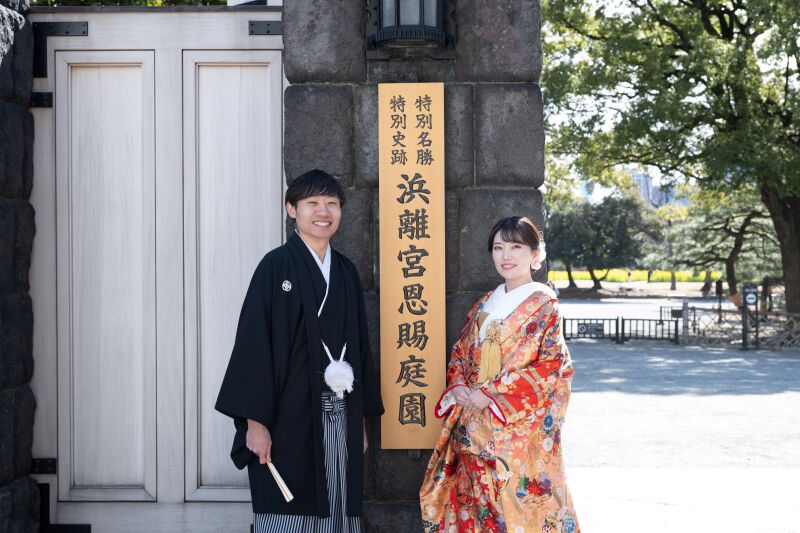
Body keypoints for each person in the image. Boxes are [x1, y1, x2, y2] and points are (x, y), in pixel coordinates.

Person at [215, 169, 383, 533]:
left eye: (332, 204)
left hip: (340, 412)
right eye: (312, 203)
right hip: (286, 416)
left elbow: (360, 350)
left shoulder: (345, 271)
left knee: (337, 502)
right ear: (292, 210)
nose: (323, 212)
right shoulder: (275, 267)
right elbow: (253, 346)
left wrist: (362, 423)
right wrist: (255, 424)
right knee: (288, 504)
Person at [419, 216, 580, 533]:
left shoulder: (544, 305)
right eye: (498, 247)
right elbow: (461, 353)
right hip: (472, 424)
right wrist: (461, 385)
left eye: (516, 246)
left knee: (515, 510)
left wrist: (491, 394)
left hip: (515, 433)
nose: (506, 255)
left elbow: (553, 366)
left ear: (536, 254)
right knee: (475, 508)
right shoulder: (484, 303)